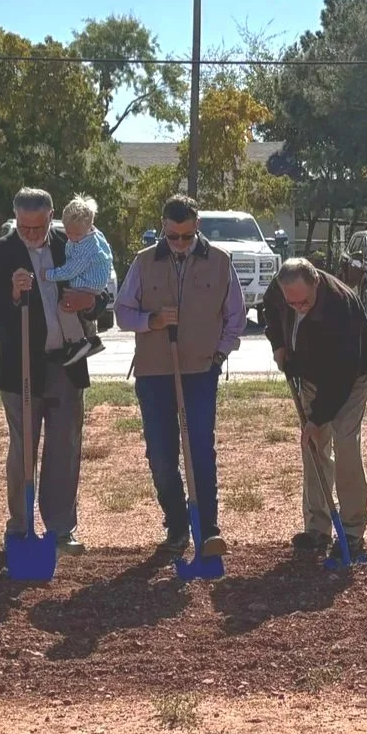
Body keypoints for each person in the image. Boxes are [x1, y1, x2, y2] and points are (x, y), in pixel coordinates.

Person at [117, 194, 247, 557]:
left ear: (197, 227)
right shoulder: (144, 263)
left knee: (200, 450)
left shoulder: (220, 262)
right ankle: (176, 525)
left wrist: (220, 353)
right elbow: (122, 313)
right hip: (154, 372)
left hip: (200, 370)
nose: (179, 244)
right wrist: (152, 321)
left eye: (186, 236)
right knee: (161, 454)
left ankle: (208, 530)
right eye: (172, 236)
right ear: (163, 229)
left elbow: (236, 315)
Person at [0, 188, 96, 556]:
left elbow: (101, 295)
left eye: (37, 228)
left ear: (51, 219)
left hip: (65, 363)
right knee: (23, 450)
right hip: (21, 367)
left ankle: (60, 529)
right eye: (23, 228)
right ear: (15, 219)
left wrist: (90, 302)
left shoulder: (73, 246)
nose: (30, 235)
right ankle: (20, 527)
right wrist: (13, 295)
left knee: (64, 447)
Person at [262, 257, 367, 558]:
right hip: (309, 374)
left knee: (344, 443)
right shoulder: (281, 291)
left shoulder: (341, 305)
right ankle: (317, 526)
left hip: (350, 379)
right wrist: (278, 345)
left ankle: (352, 531)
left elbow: (341, 376)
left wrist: (316, 418)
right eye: (293, 303)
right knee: (313, 446)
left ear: (316, 284)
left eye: (305, 302)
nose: (298, 307)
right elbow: (271, 312)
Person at [45, 194, 116, 366]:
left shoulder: (85, 247)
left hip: (88, 283)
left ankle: (78, 342)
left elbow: (71, 270)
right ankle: (89, 338)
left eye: (76, 234)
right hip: (93, 280)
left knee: (64, 308)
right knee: (71, 309)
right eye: (68, 231)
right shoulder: (92, 235)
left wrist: (49, 275)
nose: (71, 237)